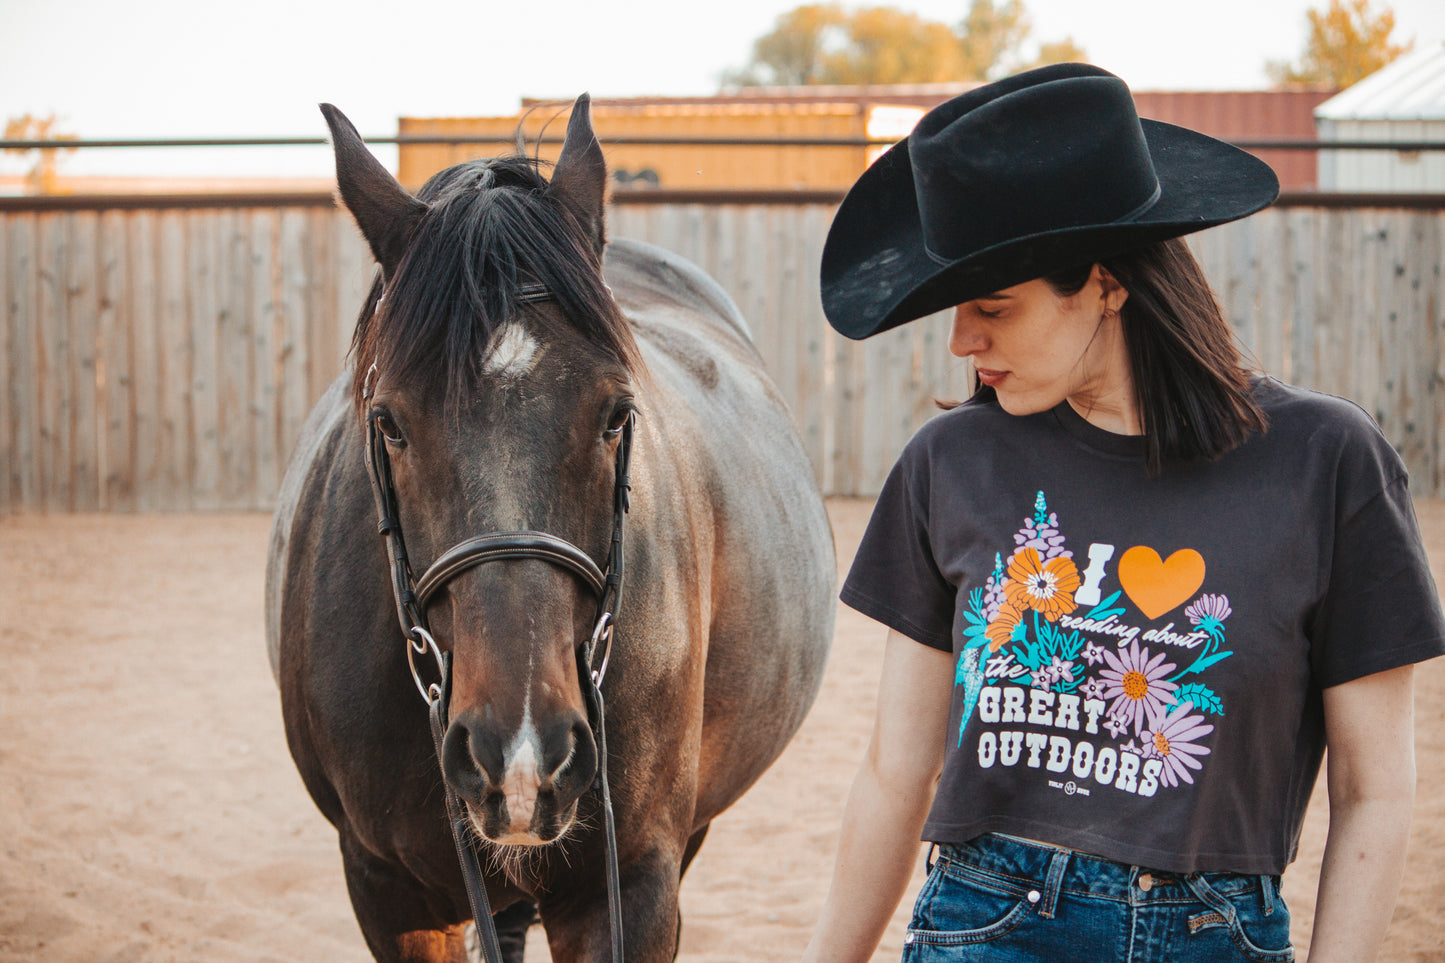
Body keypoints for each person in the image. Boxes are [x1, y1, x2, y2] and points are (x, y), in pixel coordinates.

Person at [801, 63, 1445, 963]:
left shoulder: (1325, 462)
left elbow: (1376, 789)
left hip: (1210, 933)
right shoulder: (947, 466)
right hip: (982, 923)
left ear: (1105, 283)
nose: (960, 341)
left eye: (993, 307)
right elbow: (894, 770)